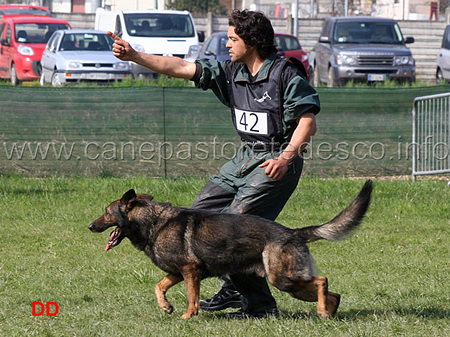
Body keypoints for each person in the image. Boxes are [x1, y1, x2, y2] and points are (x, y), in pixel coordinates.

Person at [108, 9, 320, 319]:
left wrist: (285, 158)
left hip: (277, 160)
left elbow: (307, 123)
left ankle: (257, 306)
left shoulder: (284, 74)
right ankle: (234, 287)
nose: (228, 45)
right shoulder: (230, 71)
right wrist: (135, 56)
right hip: (245, 157)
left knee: (231, 228)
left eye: (233, 39)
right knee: (199, 218)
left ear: (253, 41)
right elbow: (180, 65)